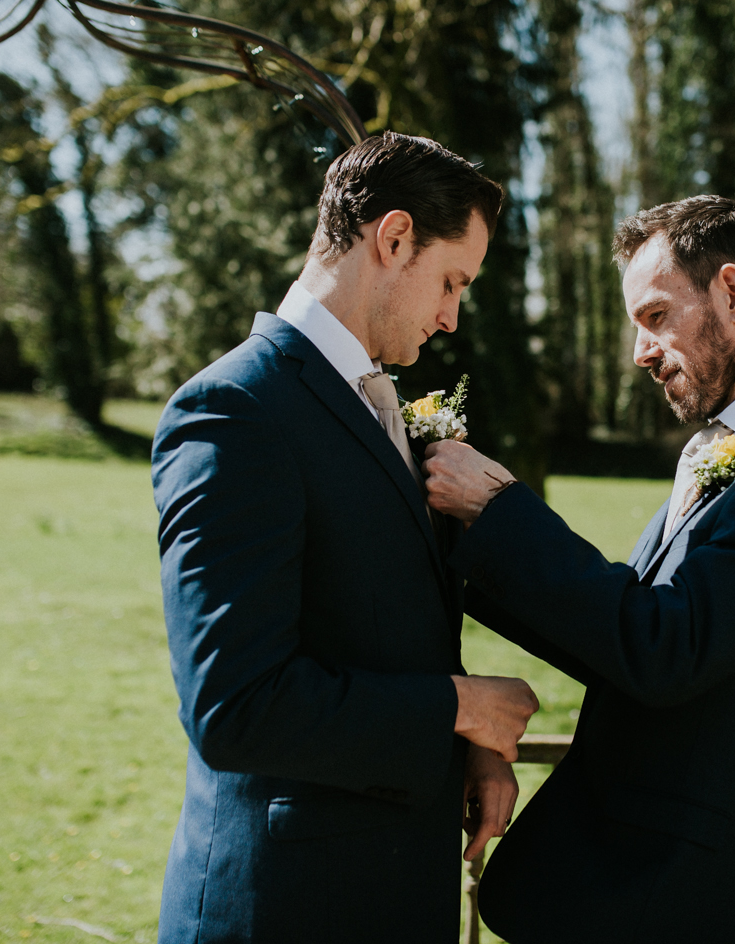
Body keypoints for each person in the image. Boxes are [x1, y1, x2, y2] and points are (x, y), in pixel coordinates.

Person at [424, 195, 735, 943]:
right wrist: (460, 550)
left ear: (733, 293)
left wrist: (503, 510)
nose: (640, 350)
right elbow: (622, 636)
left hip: (673, 897)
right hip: (614, 885)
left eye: (656, 316)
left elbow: (665, 650)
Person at [152, 132, 539, 944]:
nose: (450, 315)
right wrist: (459, 706)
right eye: (450, 281)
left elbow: (377, 616)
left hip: (387, 889)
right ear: (393, 239)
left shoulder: (373, 401)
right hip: (288, 907)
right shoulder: (235, 411)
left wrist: (467, 745)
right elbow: (235, 708)